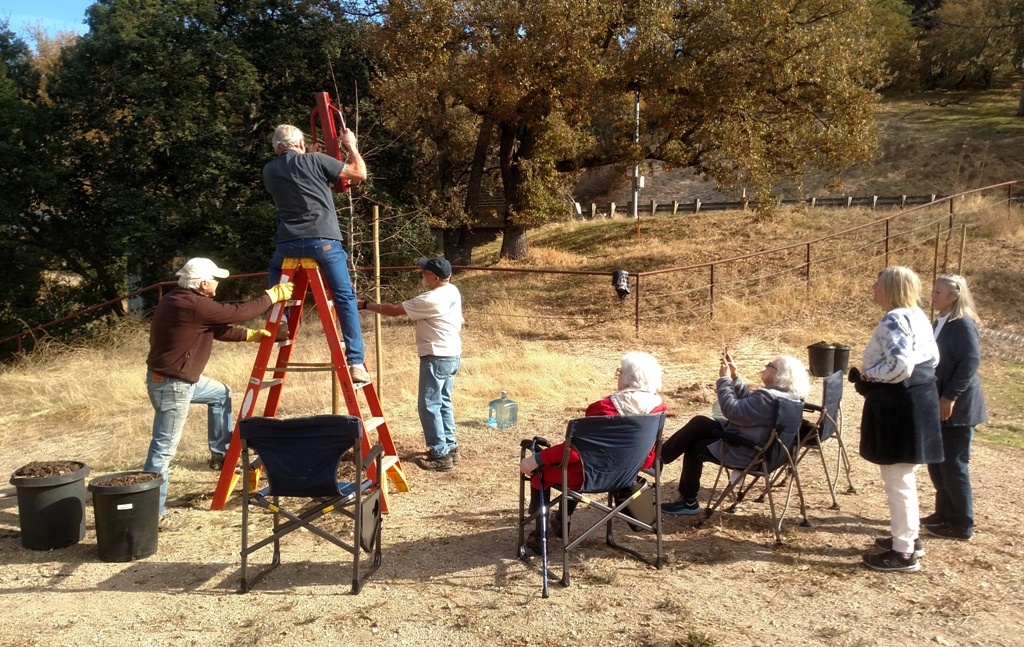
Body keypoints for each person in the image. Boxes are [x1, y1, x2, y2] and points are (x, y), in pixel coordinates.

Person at [144, 258, 294, 528]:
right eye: (214, 280)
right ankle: (152, 515)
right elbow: (236, 313)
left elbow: (218, 329)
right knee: (163, 450)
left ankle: (221, 453)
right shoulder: (194, 305)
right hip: (173, 385)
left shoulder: (179, 300)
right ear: (203, 284)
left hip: (178, 380)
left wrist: (250, 336)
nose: (217, 284)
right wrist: (270, 297)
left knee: (219, 393)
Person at [518, 351, 667, 551]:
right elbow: (649, 460)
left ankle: (540, 533)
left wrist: (538, 458)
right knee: (568, 467)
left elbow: (576, 452)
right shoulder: (659, 407)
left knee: (541, 473)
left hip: (589, 476)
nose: (617, 375)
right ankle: (561, 520)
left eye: (619, 371)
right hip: (627, 475)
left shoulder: (603, 407)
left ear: (628, 377)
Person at [851, 265, 943, 572]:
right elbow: (933, 358)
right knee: (905, 476)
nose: (873, 289)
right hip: (919, 399)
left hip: (901, 406)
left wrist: (867, 374)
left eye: (877, 284)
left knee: (898, 480)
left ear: (890, 288)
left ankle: (903, 553)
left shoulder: (895, 318)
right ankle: (909, 538)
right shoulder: (917, 316)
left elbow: (899, 367)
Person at [263, 123, 370, 384]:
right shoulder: (316, 161)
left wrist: (309, 157)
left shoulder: (269, 170)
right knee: (345, 297)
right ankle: (355, 362)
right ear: (300, 144)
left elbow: (298, 179)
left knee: (275, 271)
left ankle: (283, 322)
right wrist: (350, 145)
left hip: (287, 243)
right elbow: (359, 174)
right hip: (323, 241)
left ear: (277, 147)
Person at [659, 353, 809, 515]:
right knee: (699, 423)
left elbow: (733, 411)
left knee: (695, 448)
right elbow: (749, 405)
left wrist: (725, 380)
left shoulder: (767, 398)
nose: (765, 366)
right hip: (768, 452)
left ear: (780, 374)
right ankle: (658, 460)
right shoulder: (789, 397)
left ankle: (687, 501)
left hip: (746, 450)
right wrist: (735, 377)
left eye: (769, 365)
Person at [357, 258, 463, 472]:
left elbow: (394, 310)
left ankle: (440, 454)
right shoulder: (452, 290)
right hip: (451, 353)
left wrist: (365, 305)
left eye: (425, 273)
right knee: (443, 402)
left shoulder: (430, 299)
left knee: (429, 405)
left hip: (436, 355)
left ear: (434, 276)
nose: (423, 275)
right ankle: (450, 448)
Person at [923, 274, 986, 540]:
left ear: (954, 296)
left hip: (957, 406)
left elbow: (969, 363)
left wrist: (949, 397)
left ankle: (962, 523)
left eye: (938, 292)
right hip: (939, 402)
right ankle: (944, 512)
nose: (933, 296)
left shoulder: (962, 325)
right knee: (937, 461)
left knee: (953, 464)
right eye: (934, 291)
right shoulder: (941, 322)